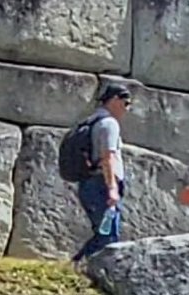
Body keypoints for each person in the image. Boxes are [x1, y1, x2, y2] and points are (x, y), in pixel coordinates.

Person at [70, 83, 131, 267]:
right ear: (114, 100)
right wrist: (112, 188)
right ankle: (78, 266)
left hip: (91, 183)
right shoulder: (109, 124)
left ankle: (78, 266)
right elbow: (107, 157)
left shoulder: (94, 121)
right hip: (102, 185)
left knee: (104, 233)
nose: (127, 109)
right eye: (126, 103)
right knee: (108, 235)